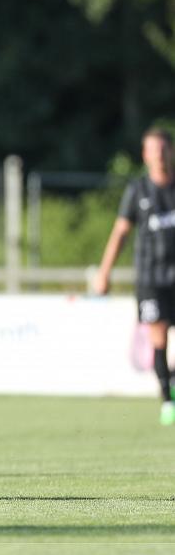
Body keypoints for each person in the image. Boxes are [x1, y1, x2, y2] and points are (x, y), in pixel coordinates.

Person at [94, 127, 175, 426]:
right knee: (158, 337)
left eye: (164, 149)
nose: (159, 155)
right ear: (145, 155)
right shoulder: (138, 191)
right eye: (154, 150)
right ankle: (168, 400)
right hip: (151, 278)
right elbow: (120, 233)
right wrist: (104, 272)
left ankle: (172, 380)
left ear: (171, 151)